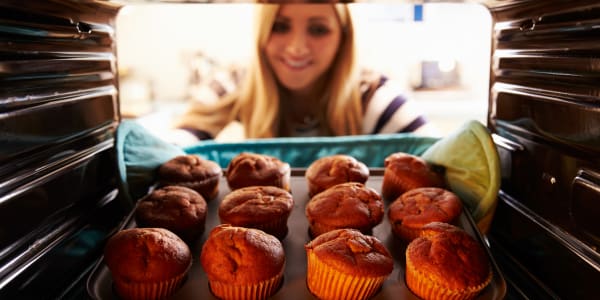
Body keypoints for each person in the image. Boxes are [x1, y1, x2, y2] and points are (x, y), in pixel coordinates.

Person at [174, 3, 438, 143]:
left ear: (343, 38)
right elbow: (172, 148)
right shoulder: (232, 84)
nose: (297, 48)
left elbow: (437, 156)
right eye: (279, 26)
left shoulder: (372, 96)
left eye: (318, 29)